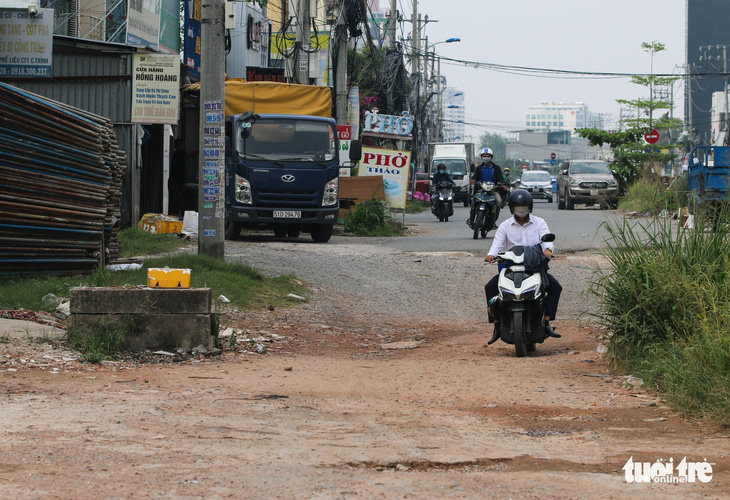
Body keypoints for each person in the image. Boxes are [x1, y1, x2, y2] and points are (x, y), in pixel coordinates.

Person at [483, 189, 562, 345]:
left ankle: (546, 322)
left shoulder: (539, 222)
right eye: (517, 205)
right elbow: (497, 245)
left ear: (530, 206)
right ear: (512, 207)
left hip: (534, 265)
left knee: (555, 288)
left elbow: (547, 239)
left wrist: (547, 250)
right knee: (490, 287)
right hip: (511, 267)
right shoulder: (505, 226)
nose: (521, 208)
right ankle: (497, 324)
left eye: (524, 205)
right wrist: (491, 255)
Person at [469, 147, 506, 227]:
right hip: (481, 189)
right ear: (481, 157)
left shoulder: (496, 168)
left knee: (498, 202)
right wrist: (473, 180)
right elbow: (474, 177)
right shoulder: (479, 168)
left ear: (491, 157)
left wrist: (502, 184)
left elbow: (501, 179)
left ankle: (493, 222)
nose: (486, 158)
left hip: (493, 190)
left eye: (488, 156)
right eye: (484, 156)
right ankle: (471, 218)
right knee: (473, 201)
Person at [169, 138, 191, 216]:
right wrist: (200, 150)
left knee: (177, 200)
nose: (184, 146)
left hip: (177, 181)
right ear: (179, 145)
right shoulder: (178, 153)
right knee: (176, 200)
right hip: (175, 182)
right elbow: (188, 154)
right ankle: (174, 215)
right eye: (183, 144)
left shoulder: (176, 154)